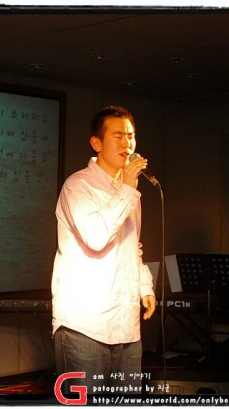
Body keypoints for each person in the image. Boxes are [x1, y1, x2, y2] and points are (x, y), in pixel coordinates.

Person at [51, 105, 156, 395]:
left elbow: (132, 245)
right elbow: (96, 237)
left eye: (131, 136)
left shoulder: (129, 191)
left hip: (126, 325)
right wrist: (127, 189)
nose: (127, 144)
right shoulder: (78, 186)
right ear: (96, 143)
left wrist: (144, 286)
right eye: (118, 136)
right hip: (85, 325)